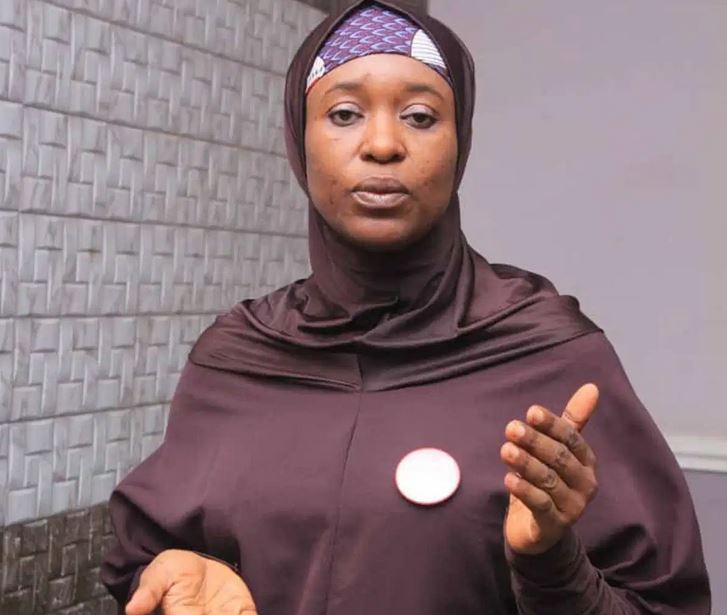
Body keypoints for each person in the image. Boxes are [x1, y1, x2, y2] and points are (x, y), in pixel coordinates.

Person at [99, 1, 711, 613]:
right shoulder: (237, 357)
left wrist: (553, 564)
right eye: (344, 113)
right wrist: (184, 570)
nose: (383, 144)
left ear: (460, 142)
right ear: (298, 138)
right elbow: (151, 555)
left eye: (420, 116)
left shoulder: (547, 355)